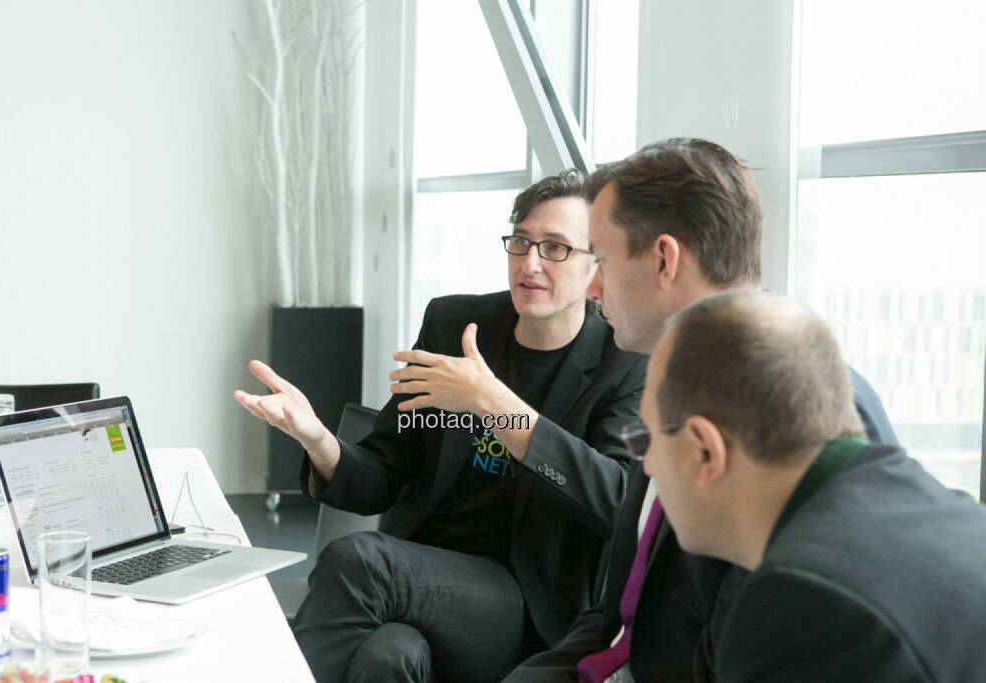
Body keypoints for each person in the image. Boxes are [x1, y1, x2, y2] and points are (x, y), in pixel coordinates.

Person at [504, 138, 897, 682]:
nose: (591, 286)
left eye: (606, 260)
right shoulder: (670, 383)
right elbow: (624, 609)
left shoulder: (815, 405)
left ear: (665, 260)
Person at [234, 170, 647, 683]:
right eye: (520, 241)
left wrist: (493, 403)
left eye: (556, 248)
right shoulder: (456, 324)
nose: (530, 262)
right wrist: (315, 435)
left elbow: (619, 502)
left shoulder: (623, 364)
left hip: (525, 605)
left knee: (358, 559)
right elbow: (384, 472)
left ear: (596, 268)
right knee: (388, 656)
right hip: (419, 573)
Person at [642, 291, 986, 681]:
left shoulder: (799, 602)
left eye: (648, 439)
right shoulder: (957, 514)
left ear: (705, 449)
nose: (648, 463)